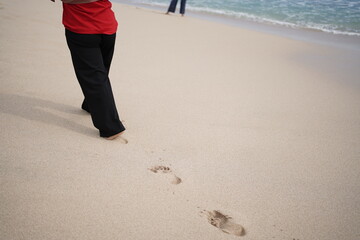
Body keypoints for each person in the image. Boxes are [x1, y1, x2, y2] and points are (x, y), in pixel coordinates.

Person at [51, 0, 125, 140]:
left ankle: (110, 127)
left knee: (95, 76)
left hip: (84, 28)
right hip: (106, 27)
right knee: (99, 73)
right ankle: (90, 105)